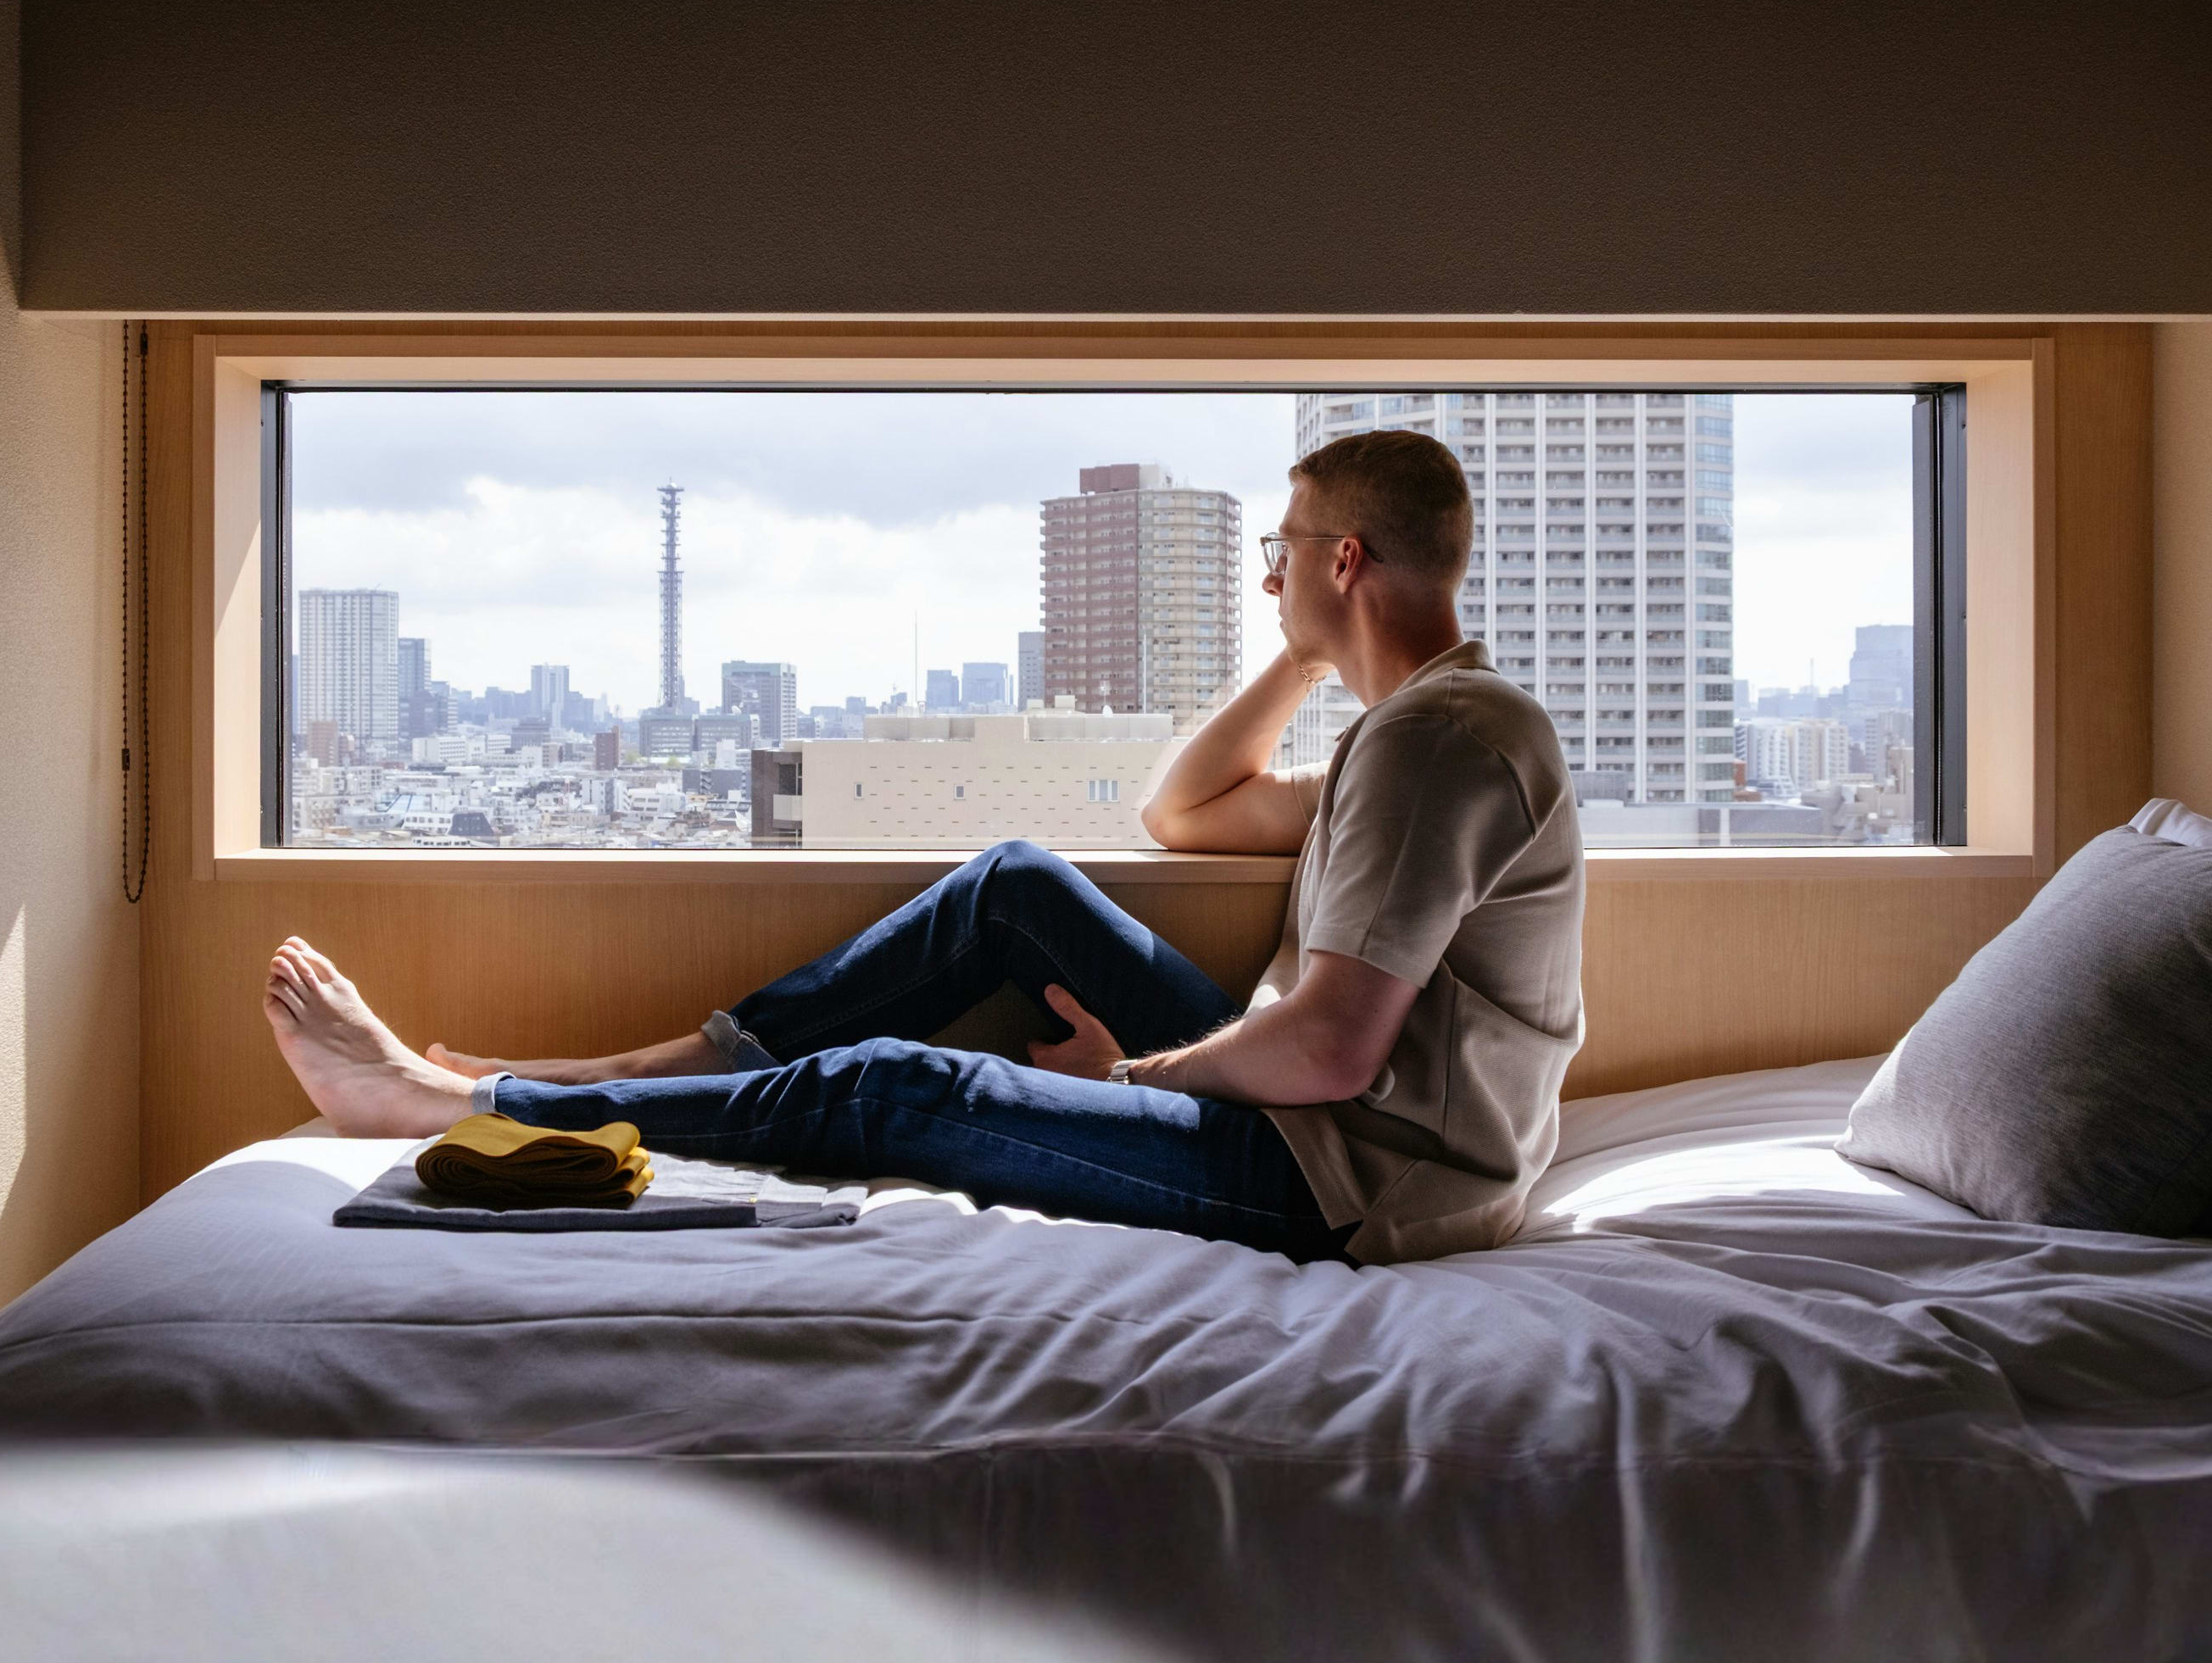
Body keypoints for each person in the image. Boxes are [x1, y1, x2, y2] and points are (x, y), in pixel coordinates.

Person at [264, 428, 1585, 1266]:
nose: (1264, 575)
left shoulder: (1433, 748)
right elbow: (1181, 811)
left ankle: (481, 1109)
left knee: (898, 1088)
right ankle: (624, 1068)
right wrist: (1309, 654)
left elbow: (1331, 1048)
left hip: (1359, 1179)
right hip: (1343, 1118)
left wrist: (1139, 1075)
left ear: (1343, 555)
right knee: (1016, 884)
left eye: (1280, 551)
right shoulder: (1409, 732)